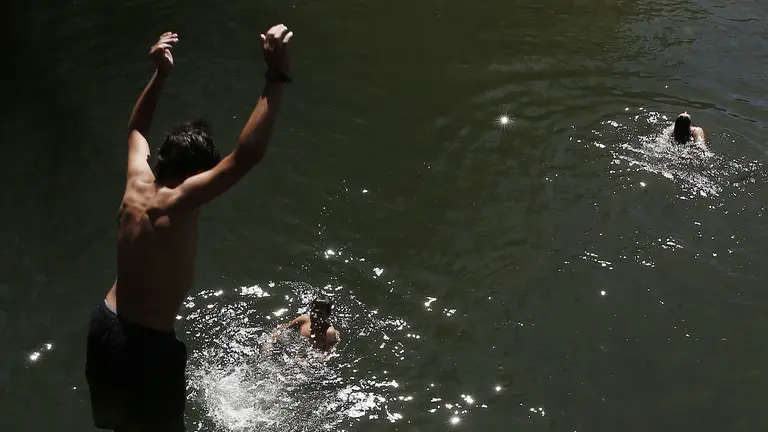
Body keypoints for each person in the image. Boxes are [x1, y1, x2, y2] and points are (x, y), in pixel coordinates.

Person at [84, 24, 295, 431]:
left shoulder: (136, 181)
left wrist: (160, 74)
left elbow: (137, 129)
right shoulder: (181, 200)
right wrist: (277, 75)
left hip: (105, 326)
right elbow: (247, 155)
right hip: (147, 348)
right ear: (196, 175)